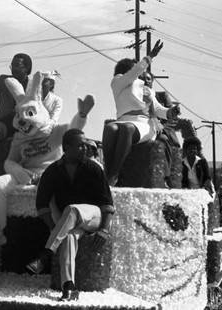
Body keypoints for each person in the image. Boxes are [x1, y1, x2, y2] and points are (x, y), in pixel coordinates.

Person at [26, 129, 114, 302]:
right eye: (80, 146)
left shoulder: (94, 168)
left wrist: (104, 229)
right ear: (67, 147)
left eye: (85, 145)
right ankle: (69, 287)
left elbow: (107, 204)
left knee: (73, 209)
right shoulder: (52, 172)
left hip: (94, 217)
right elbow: (42, 206)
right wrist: (56, 231)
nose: (85, 149)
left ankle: (45, 255)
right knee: (67, 237)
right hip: (71, 224)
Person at [102, 40, 180, 186]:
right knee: (110, 128)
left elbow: (159, 111)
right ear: (126, 71)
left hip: (144, 123)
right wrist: (150, 56)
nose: (139, 74)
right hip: (123, 119)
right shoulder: (118, 82)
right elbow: (133, 73)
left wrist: (171, 111)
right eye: (135, 70)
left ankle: (114, 174)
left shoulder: (148, 90)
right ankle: (108, 170)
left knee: (127, 129)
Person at [139, 71, 180, 188]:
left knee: (163, 140)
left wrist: (161, 127)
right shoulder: (134, 94)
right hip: (143, 128)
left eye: (148, 79)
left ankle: (165, 177)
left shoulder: (161, 96)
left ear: (152, 82)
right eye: (141, 78)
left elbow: (172, 119)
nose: (145, 81)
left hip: (161, 130)